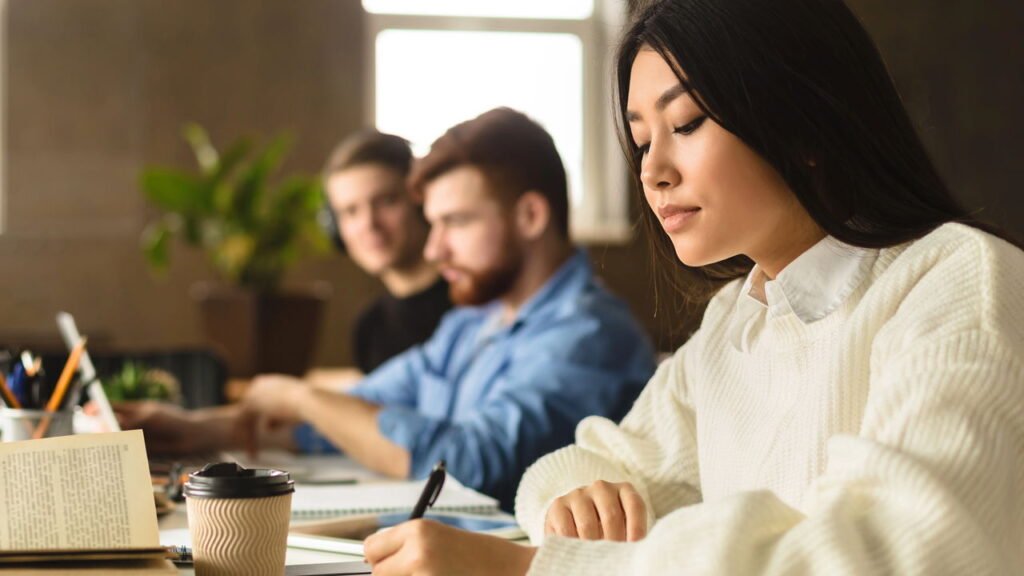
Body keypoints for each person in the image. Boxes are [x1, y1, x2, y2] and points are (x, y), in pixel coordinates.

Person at [359, 0, 1024, 574]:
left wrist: (540, 567)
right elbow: (581, 467)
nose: (653, 172)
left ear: (804, 123)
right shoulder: (738, 316)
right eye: (642, 140)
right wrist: (574, 507)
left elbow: (885, 554)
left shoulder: (961, 283)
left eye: (685, 124)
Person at [119, 108, 657, 511]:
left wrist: (301, 396)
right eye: (434, 223)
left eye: (456, 222)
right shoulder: (470, 323)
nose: (434, 249)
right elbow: (362, 409)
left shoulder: (587, 335)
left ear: (531, 216)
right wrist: (196, 430)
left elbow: (466, 465)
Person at [319, 129, 451, 377]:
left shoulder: (474, 302)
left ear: (422, 203)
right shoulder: (369, 328)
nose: (369, 224)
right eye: (350, 211)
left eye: (386, 201)